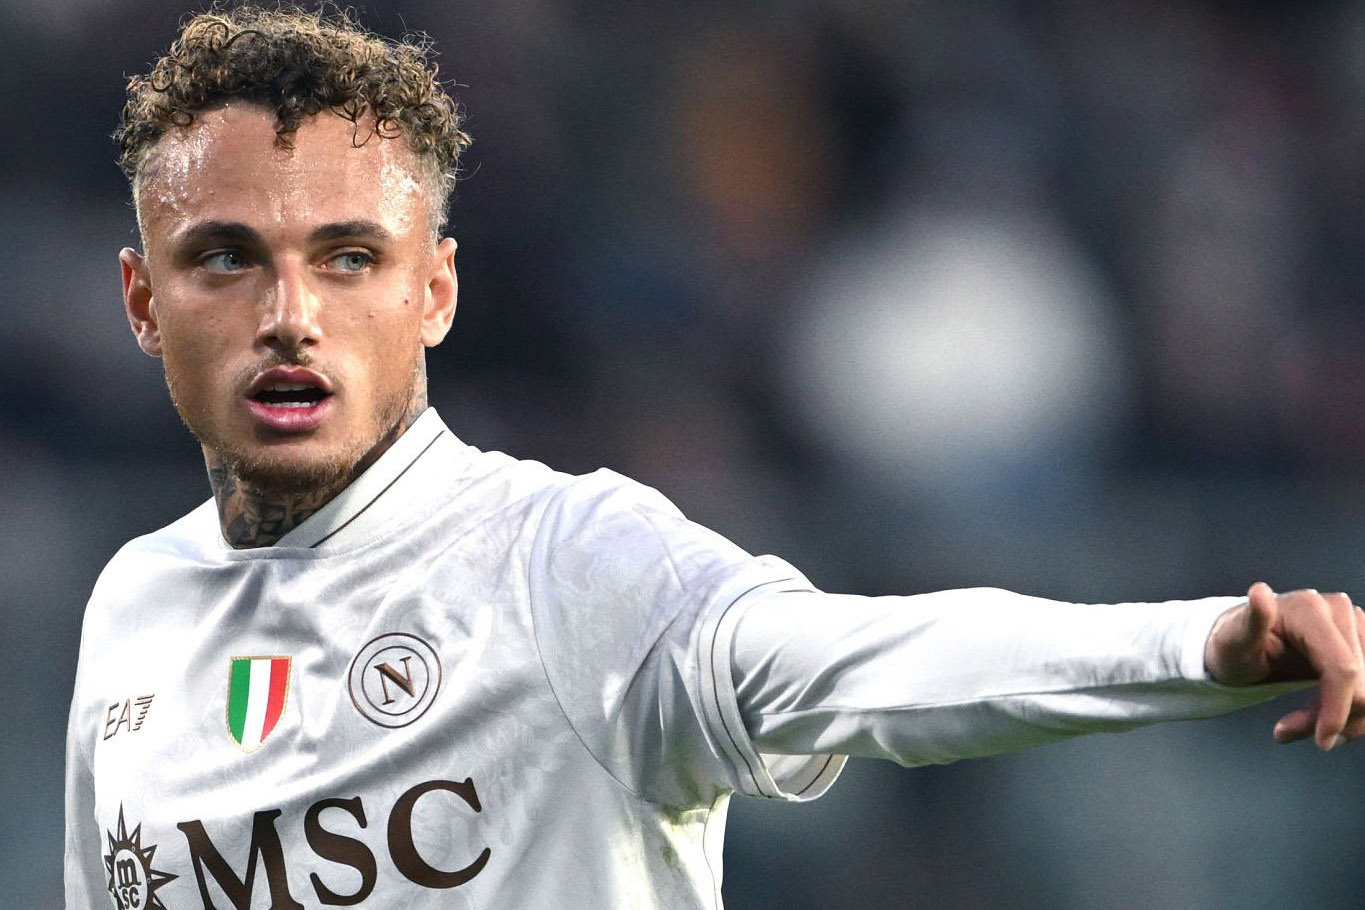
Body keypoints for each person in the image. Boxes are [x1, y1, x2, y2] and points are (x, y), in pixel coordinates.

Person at [65, 7, 1365, 910]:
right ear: (141, 301)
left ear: (436, 293)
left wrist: (1195, 646)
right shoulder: (131, 605)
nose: (291, 315)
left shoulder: (566, 565)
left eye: (350, 257)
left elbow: (865, 664)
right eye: (225, 258)